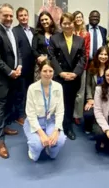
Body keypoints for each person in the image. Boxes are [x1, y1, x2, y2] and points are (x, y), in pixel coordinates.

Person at [0, 3, 22, 159]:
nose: (9, 18)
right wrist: (10, 72)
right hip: (2, 78)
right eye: (5, 15)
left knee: (9, 104)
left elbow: (18, 52)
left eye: (10, 15)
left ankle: (5, 127)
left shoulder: (12, 31)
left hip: (15, 75)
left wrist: (19, 66)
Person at [48, 12, 86, 140]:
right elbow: (51, 57)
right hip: (60, 77)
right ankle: (58, 126)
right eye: (64, 23)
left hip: (74, 77)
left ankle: (68, 127)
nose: (67, 25)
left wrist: (75, 73)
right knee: (59, 103)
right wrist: (61, 72)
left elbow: (83, 59)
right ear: (61, 24)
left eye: (69, 23)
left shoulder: (80, 40)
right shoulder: (55, 38)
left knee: (70, 104)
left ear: (73, 23)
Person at [23, 59, 66, 161]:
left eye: (50, 71)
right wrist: (42, 134)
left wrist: (56, 131)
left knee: (59, 141)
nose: (48, 74)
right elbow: (30, 114)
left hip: (51, 120)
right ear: (40, 72)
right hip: (35, 121)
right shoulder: (32, 88)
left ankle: (50, 150)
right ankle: (33, 149)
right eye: (45, 71)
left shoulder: (58, 87)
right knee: (37, 146)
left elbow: (60, 111)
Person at [83, 46, 109, 133]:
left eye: (106, 54)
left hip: (107, 99)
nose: (103, 56)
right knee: (88, 113)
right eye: (101, 54)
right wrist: (90, 99)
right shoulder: (92, 67)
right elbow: (88, 85)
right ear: (97, 55)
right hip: (93, 98)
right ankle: (89, 126)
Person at [32, 11, 58, 81]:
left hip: (54, 63)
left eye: (46, 19)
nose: (44, 21)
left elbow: (58, 50)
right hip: (40, 63)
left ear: (51, 20)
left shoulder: (57, 34)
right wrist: (39, 57)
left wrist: (47, 57)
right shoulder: (37, 34)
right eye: (42, 20)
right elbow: (33, 49)